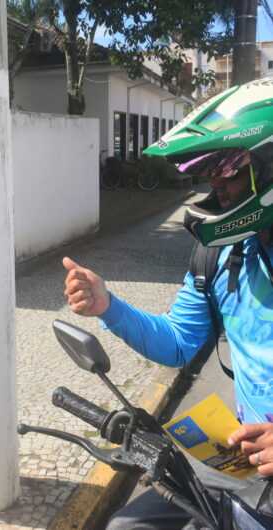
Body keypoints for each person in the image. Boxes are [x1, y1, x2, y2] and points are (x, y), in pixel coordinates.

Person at [63, 77, 273, 529]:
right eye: (209, 173)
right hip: (244, 464)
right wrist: (108, 306)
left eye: (229, 169)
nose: (218, 187)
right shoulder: (220, 254)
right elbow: (179, 342)